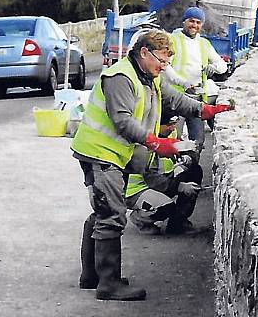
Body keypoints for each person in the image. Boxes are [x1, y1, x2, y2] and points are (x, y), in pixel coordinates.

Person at [70, 29, 232, 301]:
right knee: (111, 215)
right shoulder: (120, 77)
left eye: (168, 62)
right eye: (162, 60)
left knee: (103, 211)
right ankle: (108, 284)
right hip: (100, 153)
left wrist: (205, 110)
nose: (164, 67)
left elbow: (176, 99)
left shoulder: (149, 77)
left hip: (113, 154)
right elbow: (122, 121)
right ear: (144, 52)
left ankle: (92, 276)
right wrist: (156, 142)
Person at [165, 7, 228, 148]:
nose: (194, 25)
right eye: (191, 21)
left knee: (197, 140)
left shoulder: (204, 44)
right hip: (176, 98)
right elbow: (165, 67)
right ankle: (172, 168)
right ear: (184, 21)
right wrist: (183, 83)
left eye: (198, 22)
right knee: (174, 137)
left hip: (197, 97)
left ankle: (192, 167)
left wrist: (214, 67)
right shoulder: (172, 40)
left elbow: (222, 65)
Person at [126, 148, 204, 235]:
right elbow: (151, 179)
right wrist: (180, 186)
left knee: (194, 171)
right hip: (138, 190)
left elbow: (185, 146)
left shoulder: (168, 135)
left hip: (163, 180)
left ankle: (177, 224)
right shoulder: (143, 146)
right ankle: (140, 219)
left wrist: (188, 156)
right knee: (166, 208)